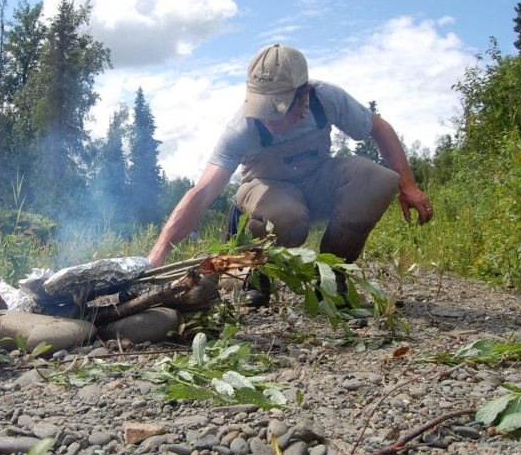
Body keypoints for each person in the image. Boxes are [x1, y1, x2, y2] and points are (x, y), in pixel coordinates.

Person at [147, 44, 433, 303]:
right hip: (264, 189)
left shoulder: (326, 98)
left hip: (315, 182)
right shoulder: (242, 127)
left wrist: (407, 184)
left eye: (278, 110)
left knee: (377, 178)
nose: (269, 120)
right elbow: (202, 193)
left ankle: (332, 277)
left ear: (304, 94)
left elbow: (378, 127)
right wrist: (156, 257)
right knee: (285, 215)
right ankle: (257, 275)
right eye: (262, 109)